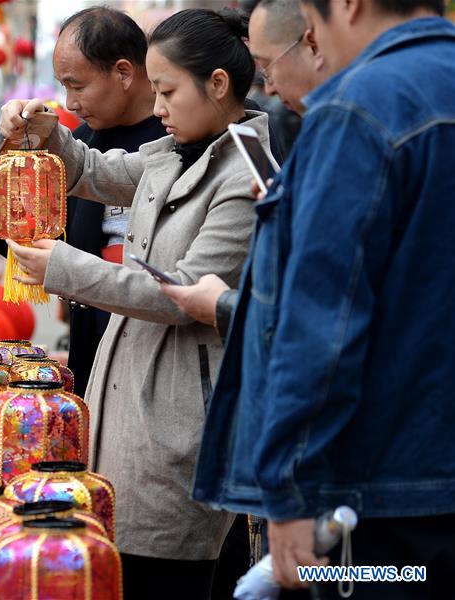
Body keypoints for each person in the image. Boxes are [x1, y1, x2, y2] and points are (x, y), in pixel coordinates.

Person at [0, 9, 273, 597]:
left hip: (181, 411)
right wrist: (48, 130)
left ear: (218, 85)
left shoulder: (244, 177)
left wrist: (66, 269)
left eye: (168, 91)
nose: (160, 107)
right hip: (129, 397)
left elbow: (185, 292)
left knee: (168, 569)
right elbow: (95, 171)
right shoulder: (172, 148)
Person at [191, 0, 455, 596]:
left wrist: (288, 492)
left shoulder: (359, 108)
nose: (312, 42)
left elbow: (321, 322)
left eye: (311, 22)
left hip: (380, 504)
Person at [0, 6, 167, 397]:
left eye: (77, 86)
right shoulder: (76, 145)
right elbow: (43, 238)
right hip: (93, 347)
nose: (70, 101)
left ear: (124, 72)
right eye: (63, 86)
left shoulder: (181, 139)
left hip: (163, 351)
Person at [162, 0, 328, 336]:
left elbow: (324, 301)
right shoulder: (320, 127)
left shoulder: (352, 124)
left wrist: (224, 305)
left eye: (268, 68)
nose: (268, 87)